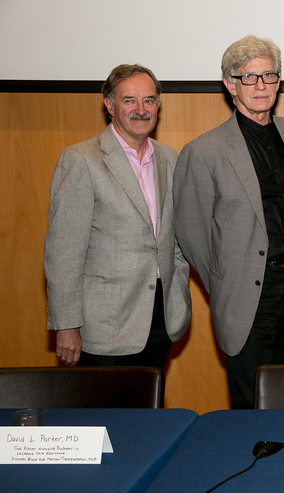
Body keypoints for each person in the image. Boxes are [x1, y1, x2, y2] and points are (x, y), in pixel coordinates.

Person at [173, 36, 284, 409]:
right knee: (252, 402)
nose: (260, 86)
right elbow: (191, 234)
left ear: (279, 81)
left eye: (268, 75)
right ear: (229, 84)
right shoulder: (204, 151)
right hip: (248, 291)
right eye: (249, 77)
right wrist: (225, 280)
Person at [44, 64, 191, 369]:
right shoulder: (82, 160)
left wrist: (178, 291)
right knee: (106, 417)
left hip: (161, 320)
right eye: (129, 100)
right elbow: (63, 253)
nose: (141, 109)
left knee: (153, 415)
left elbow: (174, 240)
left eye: (149, 100)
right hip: (104, 328)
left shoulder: (169, 158)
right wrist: (67, 325)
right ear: (109, 105)